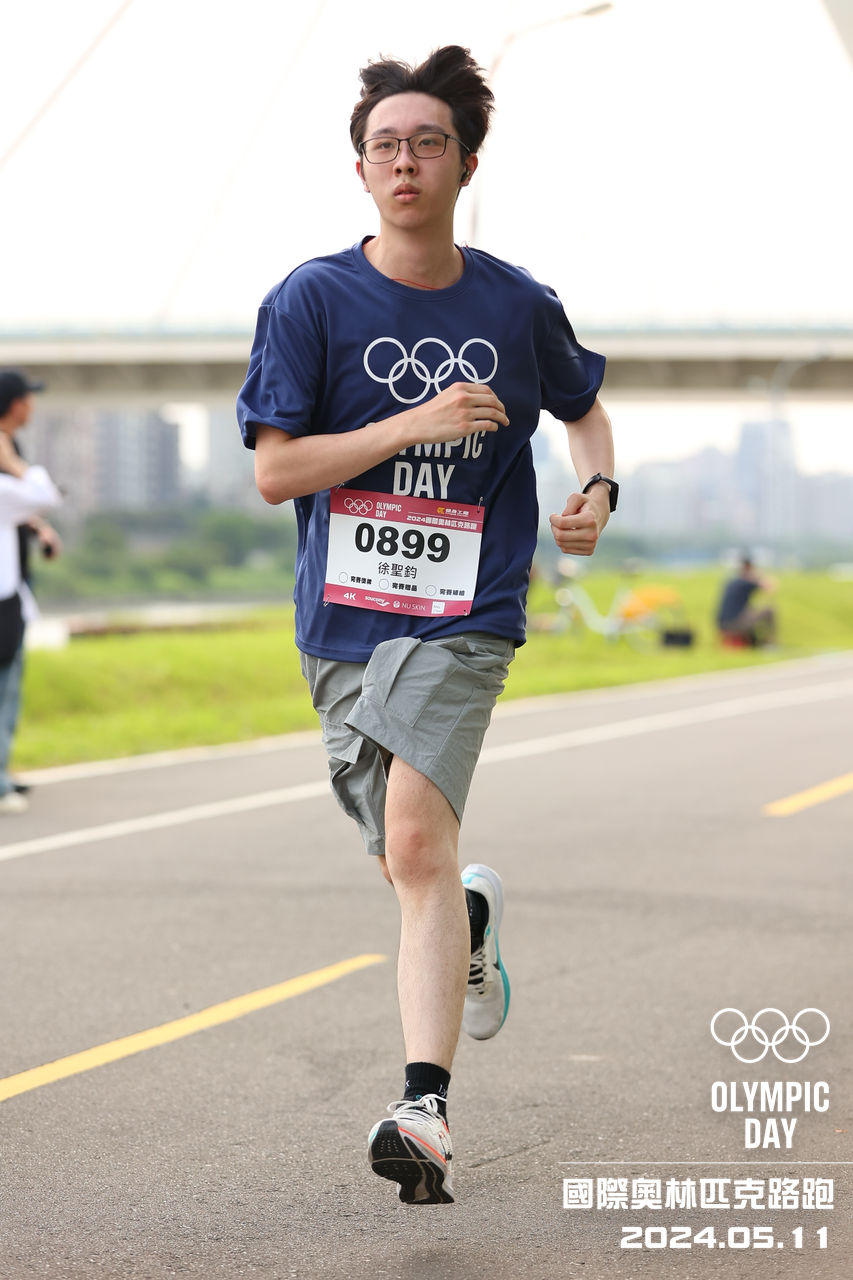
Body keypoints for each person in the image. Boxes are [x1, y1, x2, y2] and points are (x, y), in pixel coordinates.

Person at [237, 46, 615, 1205]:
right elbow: (276, 471)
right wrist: (413, 424)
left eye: (428, 143)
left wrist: (596, 490)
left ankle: (424, 1107)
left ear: (465, 164)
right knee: (410, 861)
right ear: (361, 170)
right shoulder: (309, 300)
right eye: (386, 146)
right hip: (342, 620)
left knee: (412, 841)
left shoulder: (515, 302)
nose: (406, 161)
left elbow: (585, 409)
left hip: (467, 608)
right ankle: (471, 918)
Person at [0, 370, 62, 814]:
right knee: (5, 685)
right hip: (4, 595)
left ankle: (2, 772)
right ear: (16, 403)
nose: (32, 405)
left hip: (12, 587)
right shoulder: (6, 452)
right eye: (28, 397)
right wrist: (13, 463)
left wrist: (37, 527)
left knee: (9, 686)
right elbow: (39, 494)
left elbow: (19, 506)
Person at [716, 555, 777, 646]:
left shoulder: (732, 581)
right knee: (769, 611)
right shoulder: (745, 582)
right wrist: (760, 575)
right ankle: (770, 642)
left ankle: (757, 642)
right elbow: (769, 587)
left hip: (722, 623)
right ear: (748, 568)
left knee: (751, 610)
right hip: (734, 623)